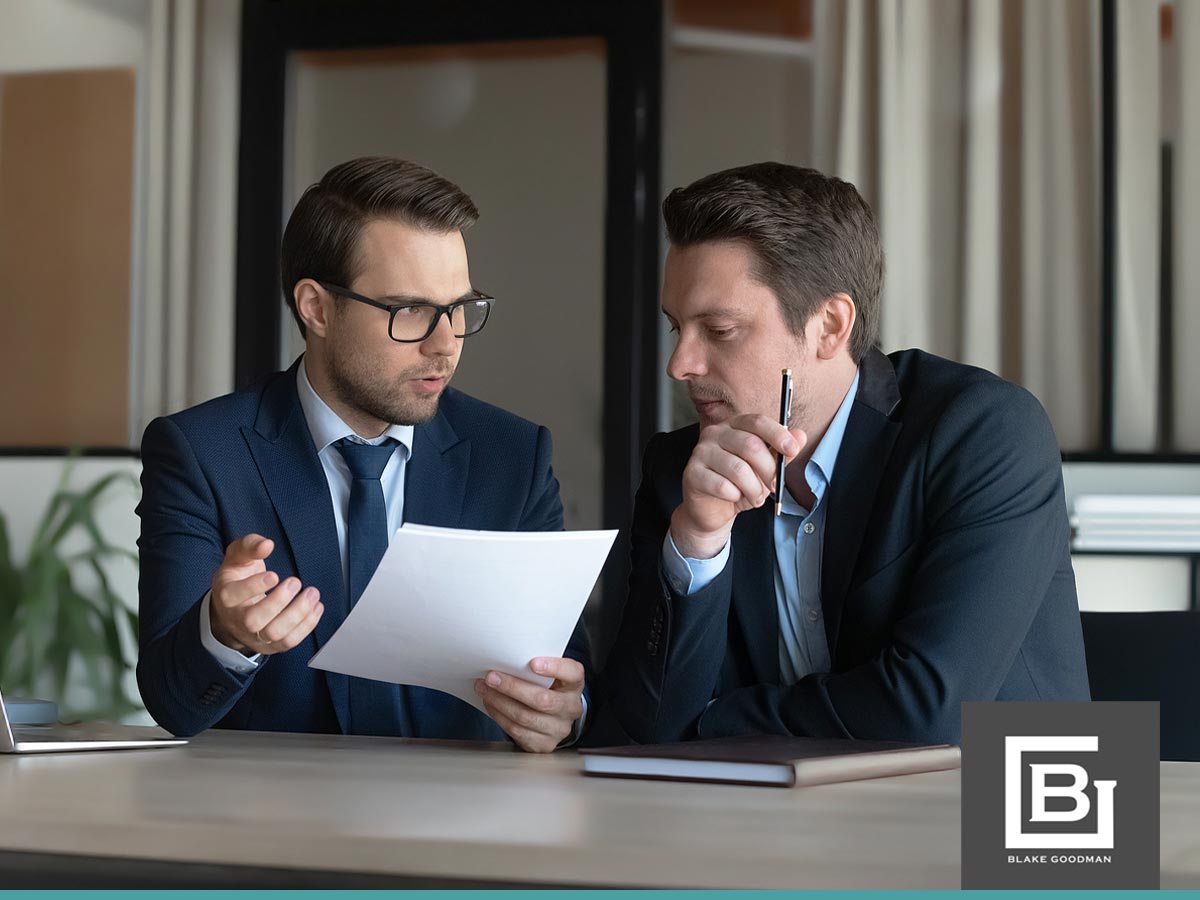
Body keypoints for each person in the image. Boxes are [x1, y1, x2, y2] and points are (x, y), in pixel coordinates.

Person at [601, 162, 1089, 746]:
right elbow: (641, 727)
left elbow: (928, 715)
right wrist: (699, 542)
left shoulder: (983, 431)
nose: (680, 364)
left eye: (720, 330)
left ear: (829, 326)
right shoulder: (683, 472)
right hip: (781, 821)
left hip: (1021, 812)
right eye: (676, 327)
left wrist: (710, 721)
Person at [136, 157, 586, 752]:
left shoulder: (514, 457)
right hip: (271, 828)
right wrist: (226, 635)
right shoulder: (202, 453)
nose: (445, 343)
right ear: (316, 308)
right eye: (411, 312)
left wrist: (565, 710)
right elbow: (172, 706)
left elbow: (565, 671)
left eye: (459, 309)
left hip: (466, 825)